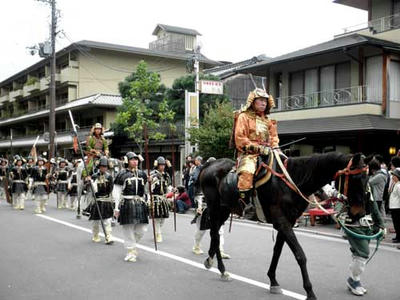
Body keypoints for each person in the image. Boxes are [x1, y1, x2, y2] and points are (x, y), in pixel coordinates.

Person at [336, 177, 385, 296]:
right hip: (352, 224)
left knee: (358, 254)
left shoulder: (367, 184)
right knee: (363, 252)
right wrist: (338, 215)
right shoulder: (345, 183)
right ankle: (353, 281)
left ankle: (354, 280)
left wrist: (380, 225)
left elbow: (373, 205)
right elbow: (338, 202)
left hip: (367, 225)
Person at [234, 88, 279, 206]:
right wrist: (258, 148)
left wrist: (275, 147)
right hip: (250, 153)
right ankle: (243, 202)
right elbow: (240, 138)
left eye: (265, 100)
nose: (264, 103)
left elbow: (274, 137)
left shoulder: (269, 121)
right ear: (253, 102)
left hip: (269, 151)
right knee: (247, 171)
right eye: (260, 100)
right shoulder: (243, 117)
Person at [113, 152, 148, 262]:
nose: (135, 161)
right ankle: (130, 251)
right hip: (127, 203)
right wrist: (116, 207)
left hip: (141, 203)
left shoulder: (142, 174)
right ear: (127, 161)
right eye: (132, 159)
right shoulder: (121, 174)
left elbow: (146, 189)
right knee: (128, 229)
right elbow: (116, 192)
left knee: (142, 229)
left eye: (136, 159)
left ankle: (133, 245)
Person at [191, 191, 230, 259]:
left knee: (220, 231)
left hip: (217, 210)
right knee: (201, 231)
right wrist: (199, 206)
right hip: (204, 210)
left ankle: (220, 251)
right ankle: (196, 247)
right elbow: (198, 195)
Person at [86, 157, 114, 244]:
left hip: (106, 200)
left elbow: (111, 189)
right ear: (99, 167)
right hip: (97, 200)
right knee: (95, 221)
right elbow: (92, 190)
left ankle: (108, 236)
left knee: (107, 221)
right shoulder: (94, 176)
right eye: (102, 166)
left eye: (105, 167)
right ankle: (95, 235)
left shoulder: (109, 177)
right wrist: (90, 182)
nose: (103, 168)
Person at [150, 156, 171, 242]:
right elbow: (150, 187)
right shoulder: (153, 174)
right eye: (161, 165)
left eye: (163, 165)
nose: (162, 167)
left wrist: (172, 189)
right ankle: (158, 233)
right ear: (157, 165)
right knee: (157, 218)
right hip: (155, 198)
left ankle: (157, 231)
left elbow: (168, 185)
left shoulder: (166, 175)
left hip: (163, 198)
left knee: (163, 218)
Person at [389, 168, 400, 244]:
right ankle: (397, 236)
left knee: (398, 223)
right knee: (396, 223)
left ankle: (399, 237)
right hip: (394, 206)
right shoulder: (395, 184)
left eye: (394, 176)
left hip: (397, 207)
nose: (392, 177)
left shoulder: (399, 185)